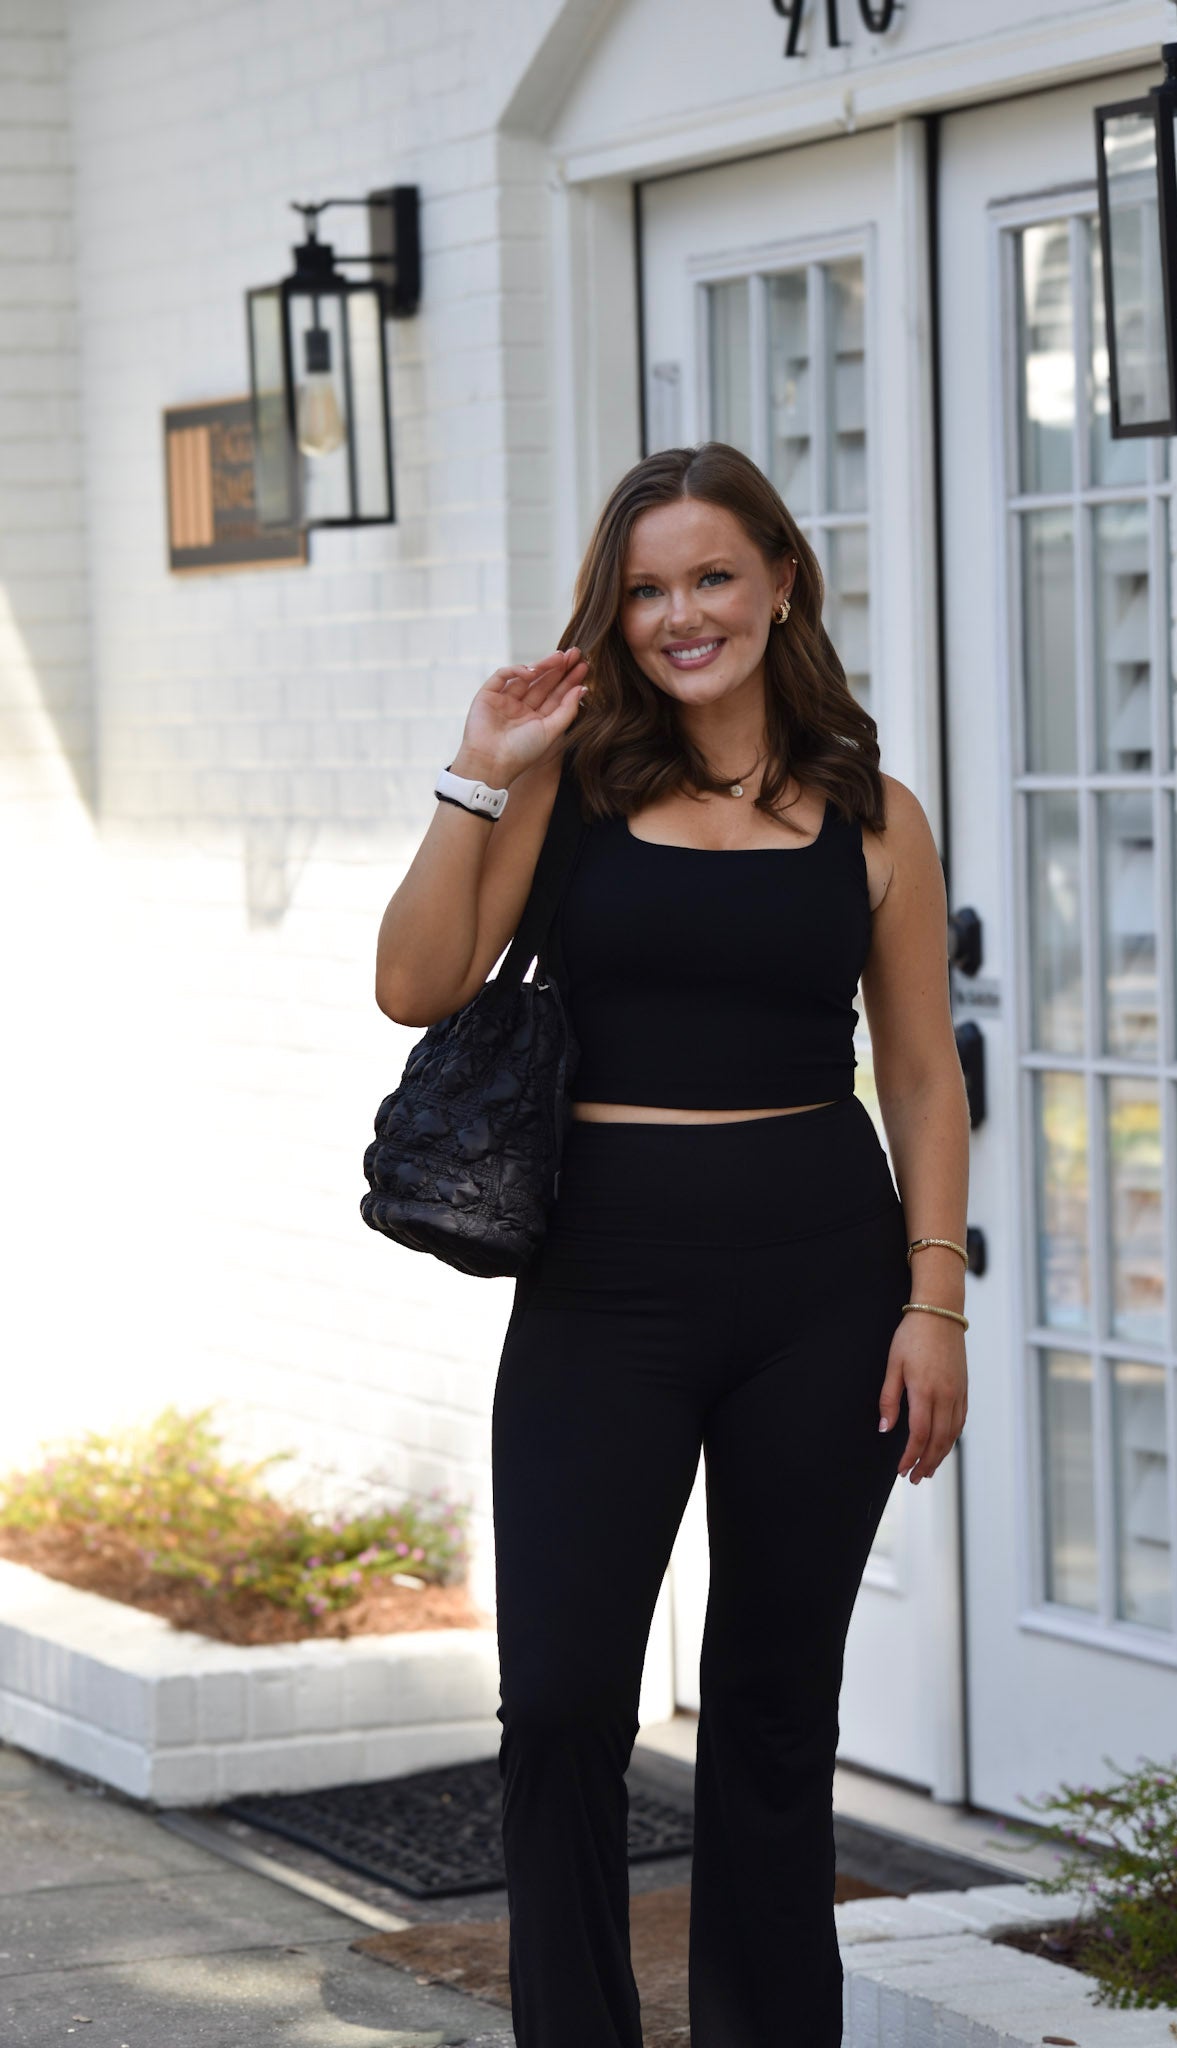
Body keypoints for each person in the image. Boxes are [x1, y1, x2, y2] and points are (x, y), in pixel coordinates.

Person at [374, 442, 970, 2048]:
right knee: (563, 1703)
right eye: (646, 589)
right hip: (604, 1287)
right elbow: (415, 984)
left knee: (774, 1714)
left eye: (711, 576)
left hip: (823, 1290)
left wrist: (934, 1303)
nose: (680, 614)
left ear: (781, 584)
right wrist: (476, 765)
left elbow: (919, 1072)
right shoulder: (568, 787)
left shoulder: (875, 817)